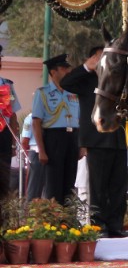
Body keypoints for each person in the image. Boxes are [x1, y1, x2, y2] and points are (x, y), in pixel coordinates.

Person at [61, 46, 128, 237]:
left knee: (119, 186)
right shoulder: (87, 80)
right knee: (98, 187)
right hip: (97, 140)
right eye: (101, 56)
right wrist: (86, 67)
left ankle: (115, 226)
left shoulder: (116, 76)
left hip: (119, 138)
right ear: (93, 57)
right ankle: (98, 226)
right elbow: (66, 82)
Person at [31, 53, 81, 204]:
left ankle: (68, 221)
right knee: (53, 184)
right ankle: (54, 222)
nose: (68, 71)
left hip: (72, 138)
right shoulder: (43, 93)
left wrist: (82, 145)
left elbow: (81, 120)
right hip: (53, 139)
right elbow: (36, 123)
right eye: (64, 68)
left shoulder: (74, 93)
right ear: (53, 72)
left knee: (70, 182)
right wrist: (42, 150)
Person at [0, 45, 22, 202]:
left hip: (3, 134)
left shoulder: (7, 85)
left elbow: (13, 114)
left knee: (3, 177)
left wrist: (14, 143)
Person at [21, 112, 41, 200]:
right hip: (35, 152)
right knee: (33, 186)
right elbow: (25, 140)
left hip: (48, 152)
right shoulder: (30, 118)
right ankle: (29, 210)